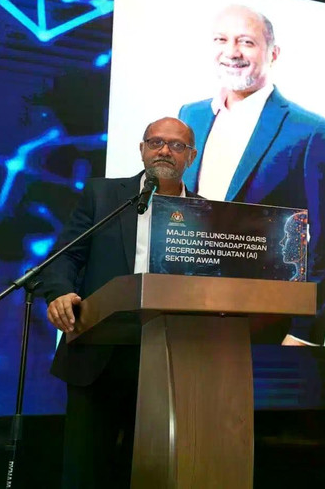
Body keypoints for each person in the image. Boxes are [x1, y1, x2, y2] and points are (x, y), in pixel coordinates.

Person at [40, 117, 199, 488]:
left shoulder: (208, 213)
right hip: (99, 351)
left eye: (176, 146)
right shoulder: (103, 196)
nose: (164, 150)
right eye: (156, 142)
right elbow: (65, 256)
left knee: (151, 472)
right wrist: (59, 291)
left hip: (171, 358)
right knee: (86, 470)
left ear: (190, 157)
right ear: (142, 149)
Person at [178, 4, 325, 346]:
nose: (231, 52)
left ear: (274, 53)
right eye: (221, 39)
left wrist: (304, 331)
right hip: (184, 311)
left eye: (246, 42)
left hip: (264, 322)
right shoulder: (190, 115)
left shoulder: (308, 131)